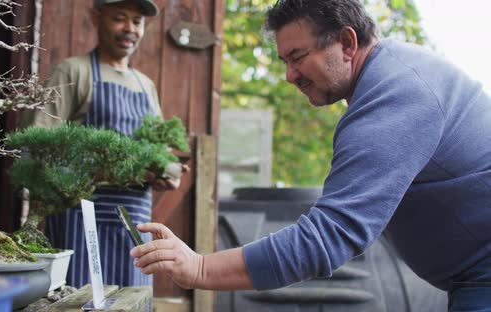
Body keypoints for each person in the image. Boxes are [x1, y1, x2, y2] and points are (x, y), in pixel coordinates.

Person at [130, 0, 491, 310]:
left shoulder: (394, 97)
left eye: (298, 56)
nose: (289, 75)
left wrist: (200, 269)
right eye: (285, 60)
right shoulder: (391, 79)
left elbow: (329, 236)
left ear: (347, 43)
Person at [24, 0, 185, 288]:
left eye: (137, 21)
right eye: (120, 18)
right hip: (80, 215)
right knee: (79, 298)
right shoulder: (73, 72)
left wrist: (168, 172)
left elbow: (161, 151)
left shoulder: (145, 85)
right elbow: (40, 144)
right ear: (95, 18)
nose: (130, 29)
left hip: (134, 221)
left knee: (131, 298)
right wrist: (107, 171)